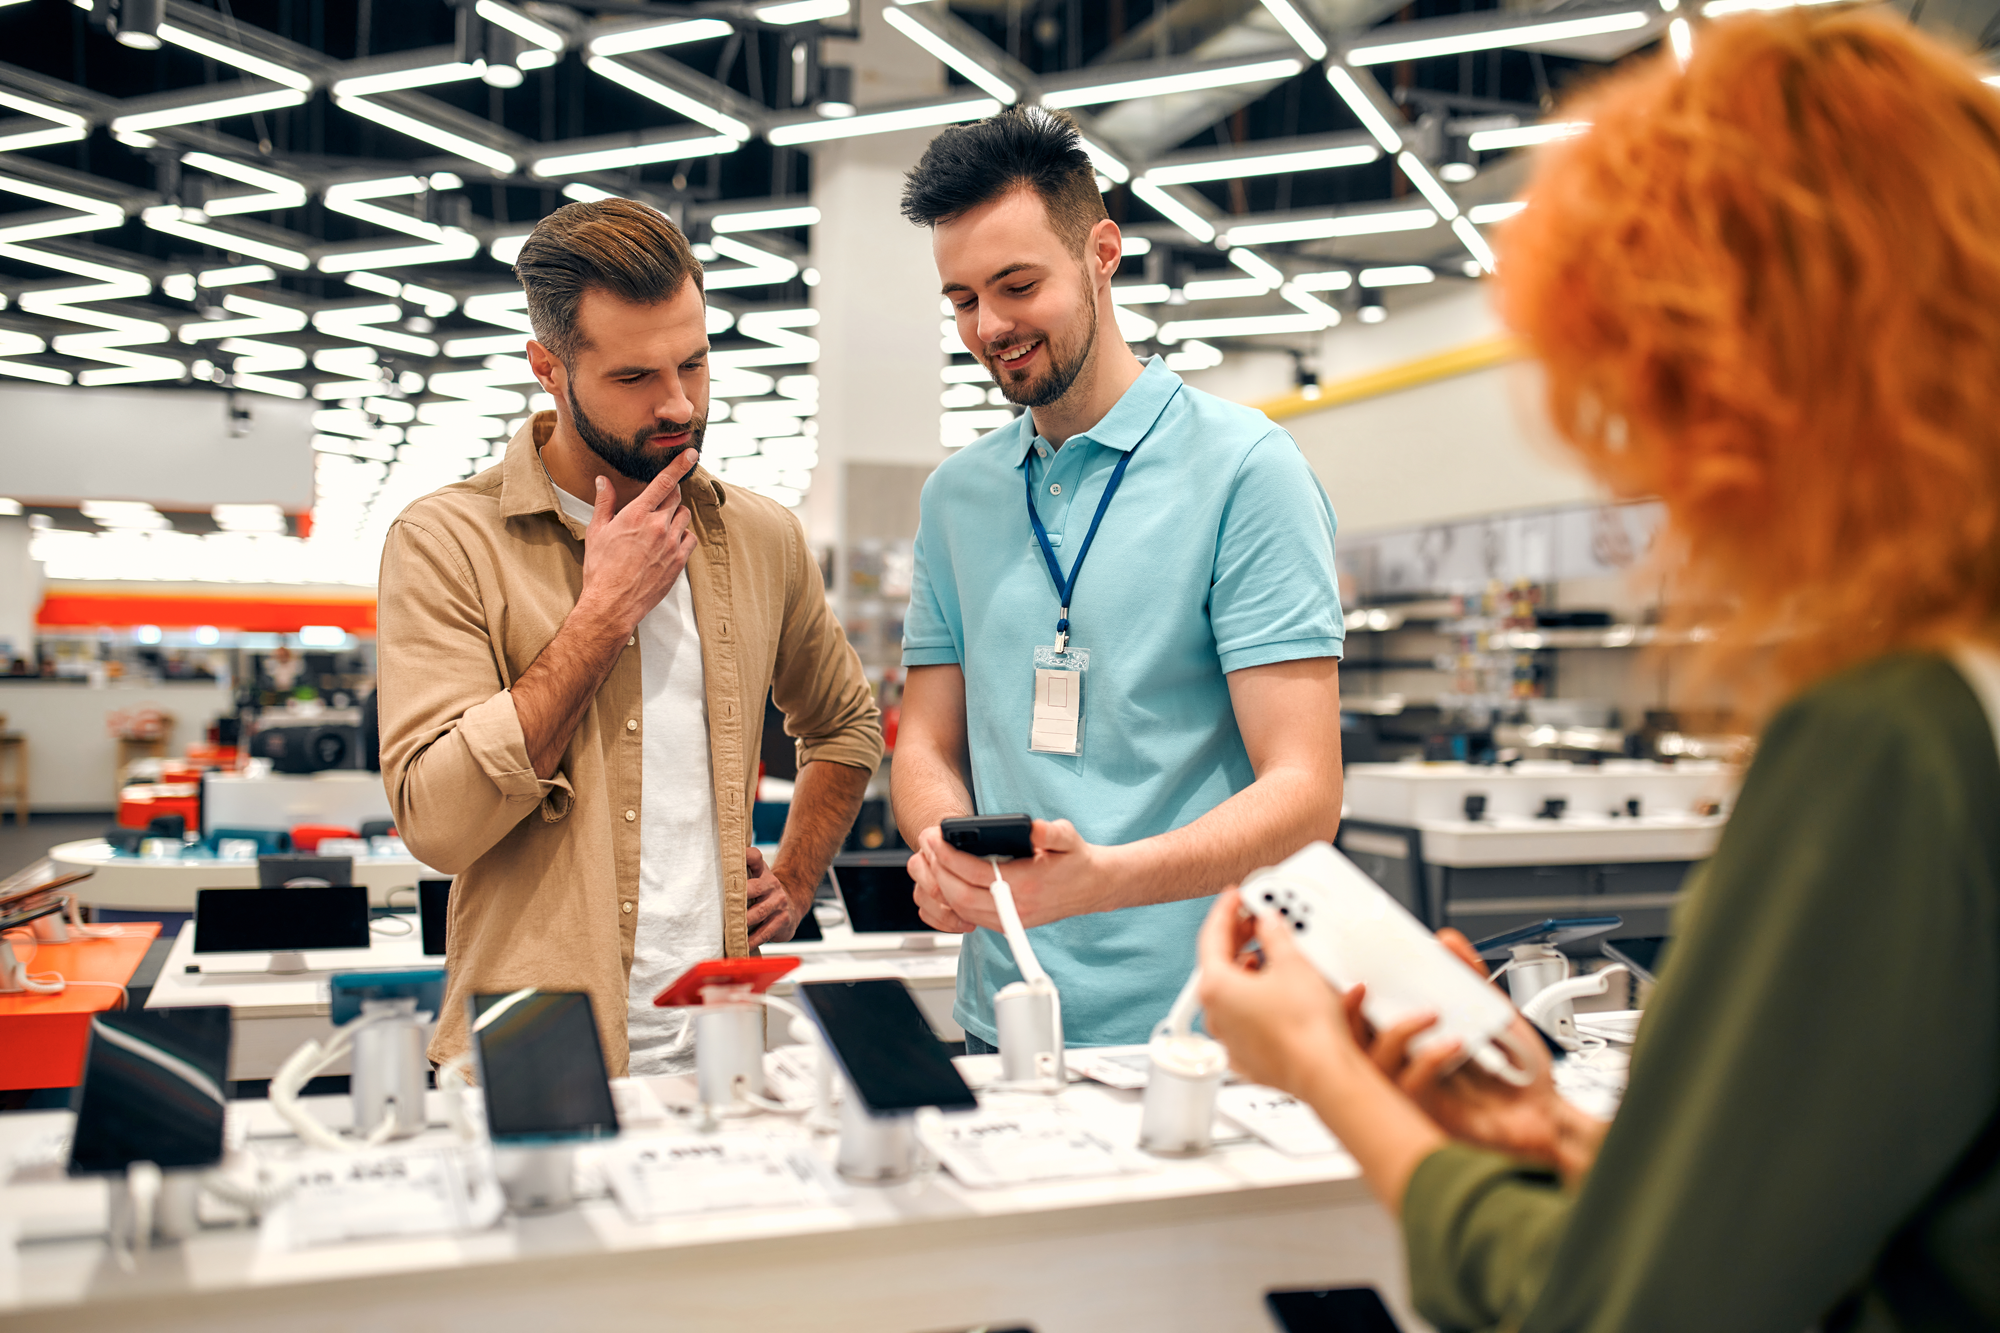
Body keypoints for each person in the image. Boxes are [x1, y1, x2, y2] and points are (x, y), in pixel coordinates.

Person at [1197, 12, 2000, 1330]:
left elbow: (1616, 1316)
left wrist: (1324, 1068)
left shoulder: (1896, 736)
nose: (1648, 475)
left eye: (1664, 401)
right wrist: (1592, 1151)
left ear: (1767, 387)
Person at [377, 199, 881, 1076]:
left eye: (694, 362)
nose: (678, 402)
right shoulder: (447, 540)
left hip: (727, 1037)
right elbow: (437, 819)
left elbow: (846, 725)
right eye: (634, 377)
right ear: (549, 367)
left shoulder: (762, 538)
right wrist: (601, 616)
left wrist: (797, 875)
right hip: (530, 1038)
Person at [892, 107, 1347, 1052]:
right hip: (1004, 1017)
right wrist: (944, 848)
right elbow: (928, 741)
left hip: (1208, 1024)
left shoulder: (1245, 469)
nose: (991, 327)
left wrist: (1106, 878)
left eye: (1019, 285)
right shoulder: (956, 497)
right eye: (964, 299)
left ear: (1103, 252)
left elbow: (1306, 791)